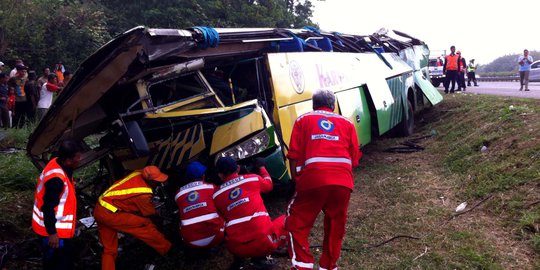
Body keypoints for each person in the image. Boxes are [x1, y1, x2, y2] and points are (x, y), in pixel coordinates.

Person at [285, 89, 361, 270]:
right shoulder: (347, 124)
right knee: (336, 225)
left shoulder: (303, 120)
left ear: (313, 105)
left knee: (296, 223)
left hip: (312, 180)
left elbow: (293, 154)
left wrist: (297, 180)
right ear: (333, 105)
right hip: (343, 183)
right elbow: (355, 158)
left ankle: (303, 264)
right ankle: (329, 266)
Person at [213, 157, 287, 270]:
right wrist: (262, 167)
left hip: (236, 248)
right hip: (264, 242)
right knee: (287, 219)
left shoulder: (216, 195)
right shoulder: (252, 179)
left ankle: (240, 260)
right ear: (238, 168)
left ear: (220, 175)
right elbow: (269, 185)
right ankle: (262, 257)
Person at [93, 166, 172, 270]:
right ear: (149, 180)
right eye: (157, 181)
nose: (159, 183)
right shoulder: (143, 195)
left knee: (109, 249)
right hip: (111, 214)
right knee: (145, 224)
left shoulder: (137, 173)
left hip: (99, 210)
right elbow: (150, 215)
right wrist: (160, 224)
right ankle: (168, 249)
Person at [32, 139, 82, 270]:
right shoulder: (56, 179)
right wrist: (52, 234)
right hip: (53, 233)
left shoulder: (57, 162)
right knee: (57, 264)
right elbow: (47, 207)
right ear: (68, 160)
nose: (80, 160)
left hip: (56, 231)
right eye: (77, 157)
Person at [175, 161, 225, 250]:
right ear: (203, 175)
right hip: (217, 236)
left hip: (190, 242)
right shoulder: (211, 187)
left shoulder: (178, 194)